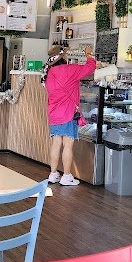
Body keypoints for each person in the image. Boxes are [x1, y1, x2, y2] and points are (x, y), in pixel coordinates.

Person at [43, 44, 96, 185]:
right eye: (65, 54)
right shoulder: (69, 69)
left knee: (56, 143)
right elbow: (90, 67)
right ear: (62, 57)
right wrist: (89, 54)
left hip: (54, 113)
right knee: (68, 144)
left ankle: (53, 174)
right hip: (67, 112)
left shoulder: (49, 72)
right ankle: (66, 176)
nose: (67, 56)